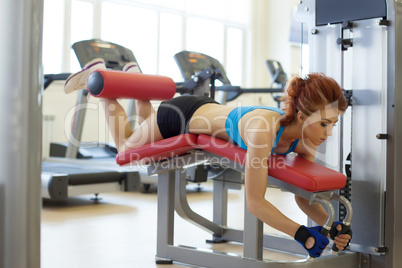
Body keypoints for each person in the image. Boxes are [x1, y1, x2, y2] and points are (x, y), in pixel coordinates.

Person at [64, 58, 352, 258]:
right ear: (301, 116)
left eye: (333, 125)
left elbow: (303, 196)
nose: (328, 133)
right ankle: (99, 84)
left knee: (141, 134)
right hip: (181, 116)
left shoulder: (305, 139)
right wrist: (301, 234)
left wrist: (331, 224)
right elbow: (255, 202)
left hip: (208, 109)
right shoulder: (263, 131)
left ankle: (135, 77)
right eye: (324, 124)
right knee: (127, 148)